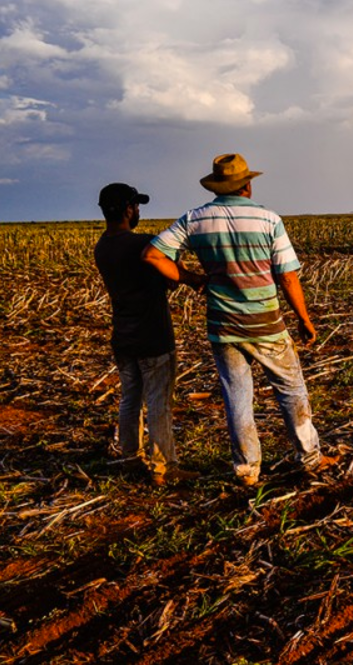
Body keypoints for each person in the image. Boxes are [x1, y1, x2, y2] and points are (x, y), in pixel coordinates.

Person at [142, 153, 336, 487]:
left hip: (223, 326)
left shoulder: (195, 219)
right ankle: (310, 458)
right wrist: (304, 319)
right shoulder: (268, 219)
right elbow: (288, 278)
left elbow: (152, 254)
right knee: (291, 390)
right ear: (247, 185)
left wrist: (191, 278)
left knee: (237, 397)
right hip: (267, 324)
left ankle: (247, 469)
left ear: (217, 187)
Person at [94, 183, 201, 487]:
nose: (138, 211)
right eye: (136, 206)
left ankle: (129, 457)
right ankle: (163, 467)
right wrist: (191, 276)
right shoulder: (145, 244)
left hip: (123, 337)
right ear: (128, 209)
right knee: (158, 403)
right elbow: (171, 282)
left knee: (130, 399)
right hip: (153, 336)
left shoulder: (102, 247)